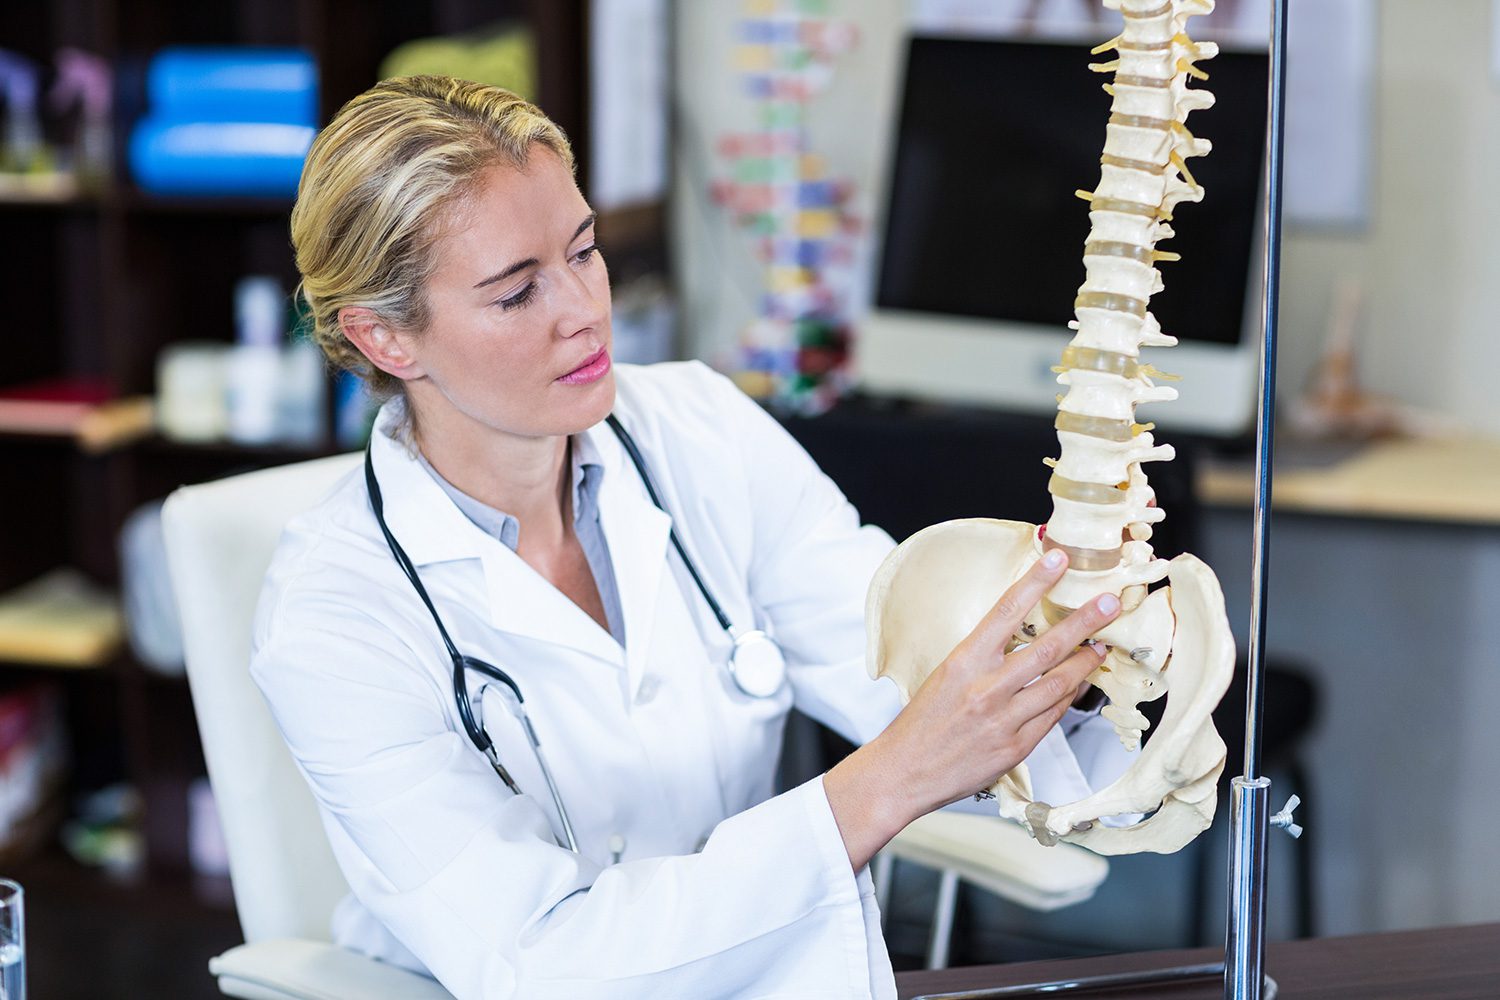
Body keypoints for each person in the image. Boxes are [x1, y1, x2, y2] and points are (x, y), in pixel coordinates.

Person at [252, 75, 1130, 1000]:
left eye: (584, 251)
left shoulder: (701, 430)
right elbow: (540, 963)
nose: (585, 308)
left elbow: (904, 661)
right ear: (387, 338)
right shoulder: (332, 618)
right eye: (516, 294)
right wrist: (880, 787)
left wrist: (1096, 666)